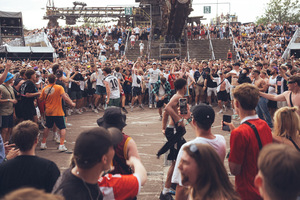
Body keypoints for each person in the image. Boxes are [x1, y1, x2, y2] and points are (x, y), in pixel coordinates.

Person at [224, 83, 273, 200]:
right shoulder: (264, 124)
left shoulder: (239, 133)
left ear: (236, 104)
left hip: (247, 190)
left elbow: (234, 169)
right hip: (265, 187)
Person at [171, 104, 226, 200]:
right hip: (217, 193)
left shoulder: (188, 148)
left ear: (194, 121)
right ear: (212, 121)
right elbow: (203, 135)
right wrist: (189, 118)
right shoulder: (221, 141)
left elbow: (181, 186)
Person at [52, 127, 123, 200]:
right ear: (104, 159)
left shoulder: (74, 175)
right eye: (112, 148)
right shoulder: (75, 194)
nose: (114, 151)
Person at [0, 121, 60, 197]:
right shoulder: (49, 167)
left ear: (15, 141)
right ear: (36, 140)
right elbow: (57, 194)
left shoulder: (4, 168)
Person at [159, 78, 187, 200]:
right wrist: (178, 119)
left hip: (174, 129)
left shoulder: (178, 97)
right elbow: (167, 109)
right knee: (176, 161)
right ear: (184, 87)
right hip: (174, 129)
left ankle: (173, 185)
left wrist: (163, 128)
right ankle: (166, 190)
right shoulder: (177, 97)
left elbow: (166, 113)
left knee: (181, 157)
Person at [97, 107, 140, 175]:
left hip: (102, 182)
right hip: (123, 182)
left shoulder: (96, 139)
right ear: (121, 127)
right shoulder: (128, 142)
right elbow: (137, 169)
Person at [40, 74, 75, 152]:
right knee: (62, 127)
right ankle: (61, 145)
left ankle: (43, 143)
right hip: (58, 111)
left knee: (47, 126)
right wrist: (72, 103)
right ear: (55, 80)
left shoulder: (44, 89)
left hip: (48, 111)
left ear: (47, 80)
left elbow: (41, 99)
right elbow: (65, 98)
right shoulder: (59, 88)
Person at [0, 72, 17, 142]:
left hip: (10, 110)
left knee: (10, 128)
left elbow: (13, 98)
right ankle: (3, 145)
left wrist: (14, 112)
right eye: (11, 77)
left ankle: (7, 143)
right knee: (5, 129)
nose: (13, 79)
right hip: (3, 111)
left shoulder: (10, 87)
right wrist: (9, 100)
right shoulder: (1, 87)